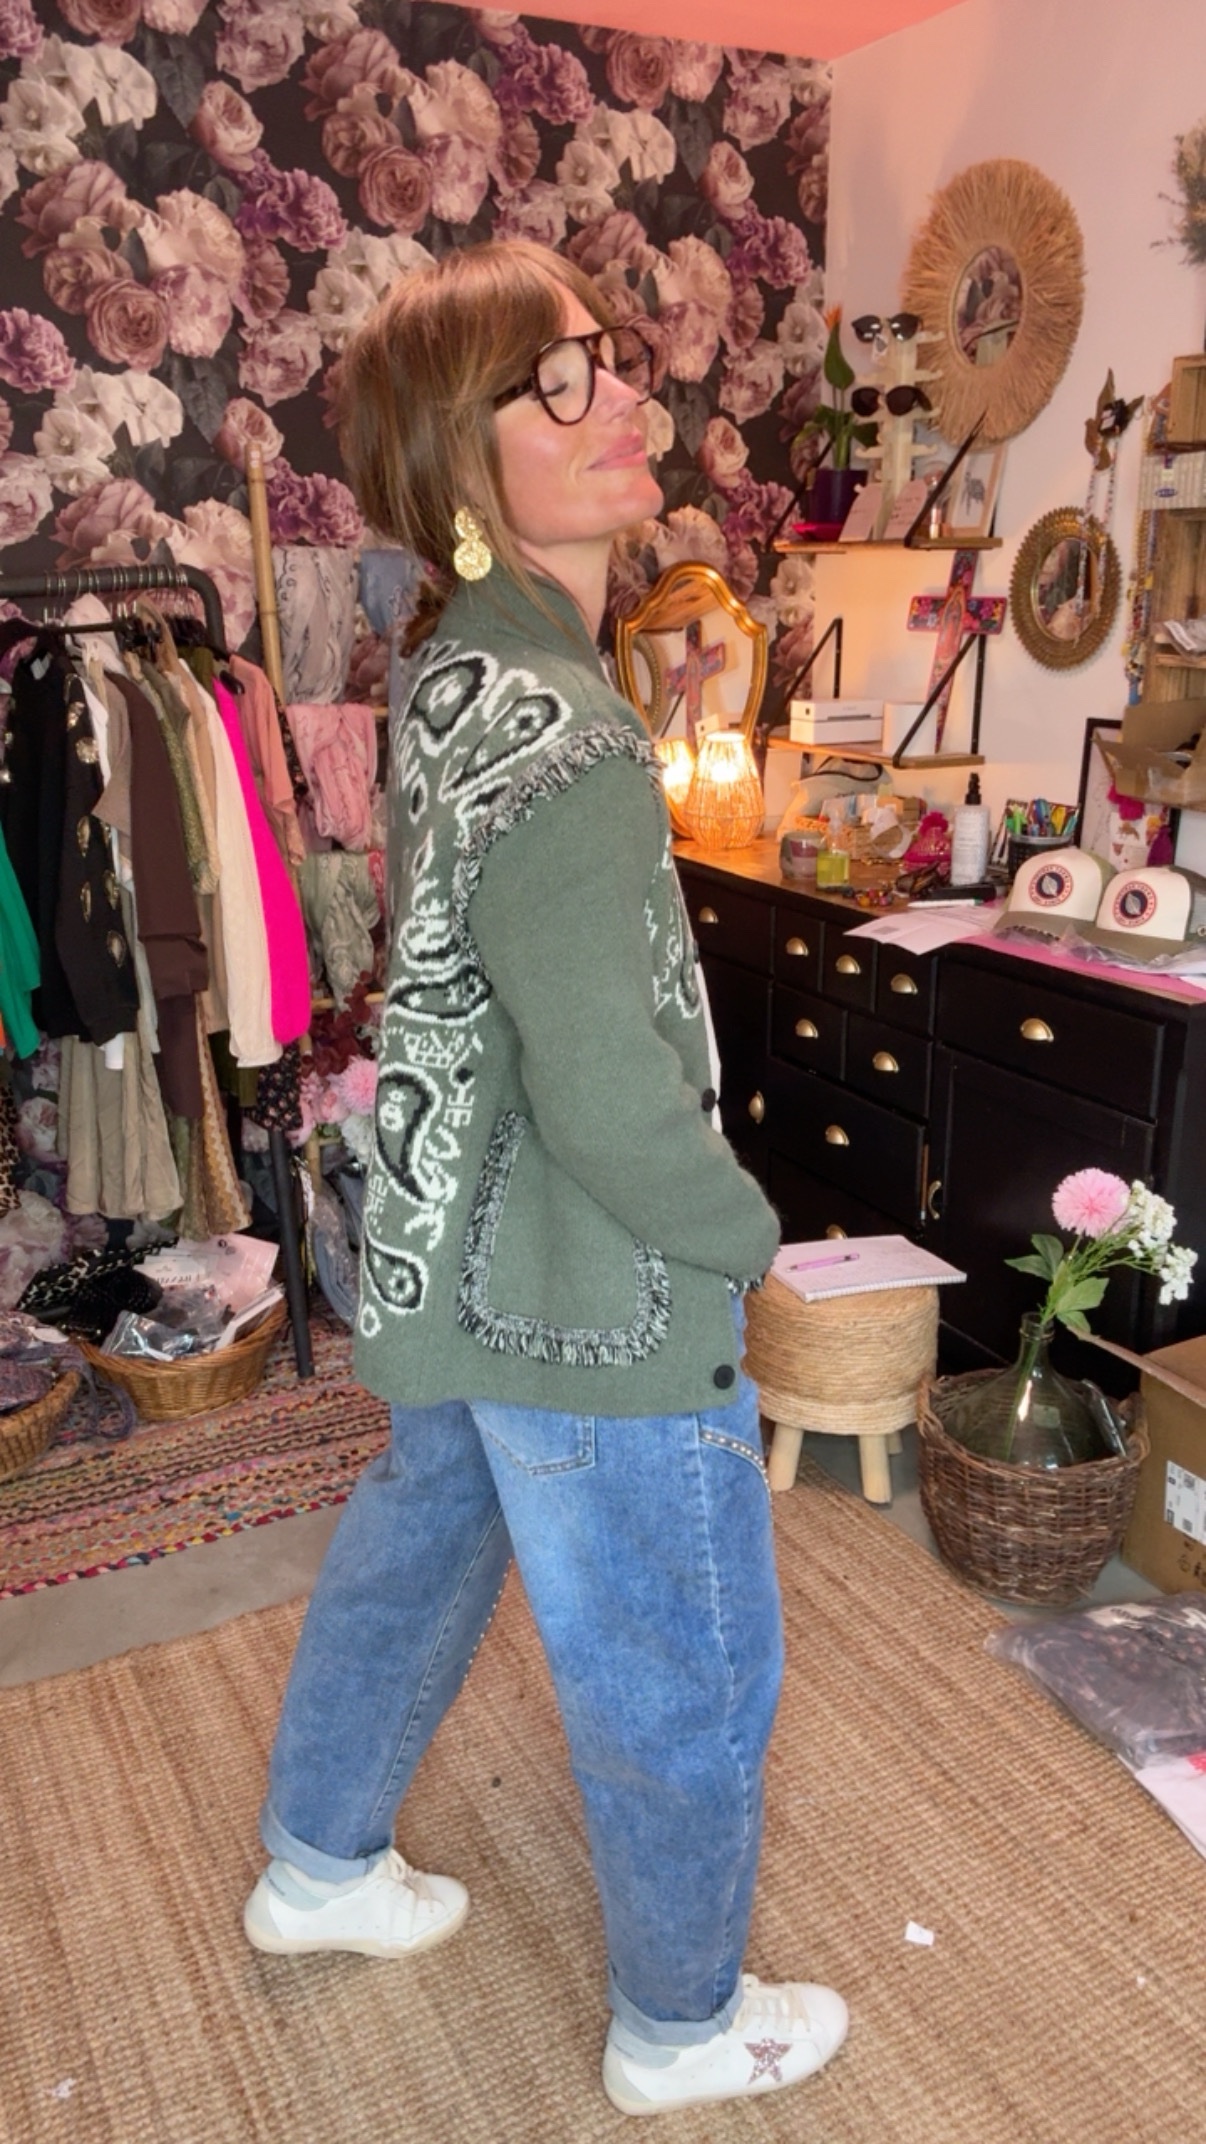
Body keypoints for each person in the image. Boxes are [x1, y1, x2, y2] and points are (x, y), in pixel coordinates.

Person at [243, 238, 848, 2118]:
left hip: (454, 1253)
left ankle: (316, 1864)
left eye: (610, 361)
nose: (620, 401)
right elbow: (601, 1086)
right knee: (679, 1658)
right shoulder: (565, 730)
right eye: (558, 382)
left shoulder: (453, 670)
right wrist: (736, 1238)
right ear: (459, 454)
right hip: (587, 1279)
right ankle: (682, 2028)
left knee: (420, 1546)